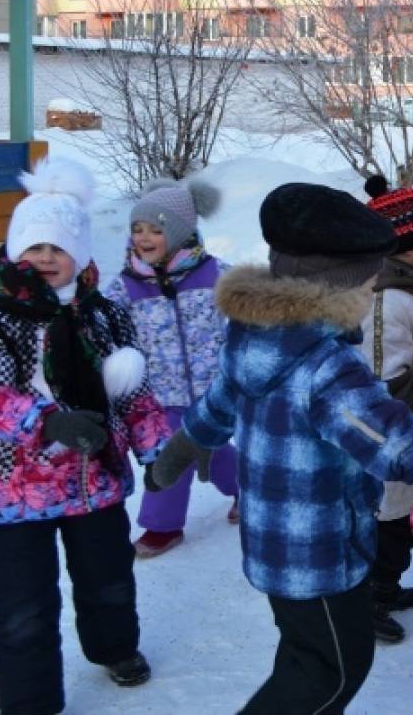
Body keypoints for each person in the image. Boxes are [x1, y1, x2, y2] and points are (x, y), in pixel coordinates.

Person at [148, 182, 413, 714]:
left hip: (276, 542)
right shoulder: (327, 367)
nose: (375, 291)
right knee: (333, 672)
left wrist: (190, 440)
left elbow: (221, 398)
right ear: (340, 286)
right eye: (370, 281)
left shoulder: (252, 332)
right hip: (320, 553)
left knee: (307, 658)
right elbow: (398, 449)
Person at [0, 159, 170, 714]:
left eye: (58, 248)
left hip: (95, 482)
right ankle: (30, 699)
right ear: (17, 250)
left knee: (108, 578)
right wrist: (48, 422)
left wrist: (161, 450)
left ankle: (115, 647)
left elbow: (134, 390)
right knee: (23, 603)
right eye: (34, 247)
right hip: (13, 489)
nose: (45, 258)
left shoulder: (105, 314)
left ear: (81, 254)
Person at [105, 177, 238, 558]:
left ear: (179, 233)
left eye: (155, 229)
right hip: (161, 393)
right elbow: (99, 319)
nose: (143, 237)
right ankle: (163, 526)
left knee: (210, 445)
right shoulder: (127, 286)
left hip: (214, 389)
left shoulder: (214, 274)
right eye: (137, 229)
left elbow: (250, 302)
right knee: (173, 451)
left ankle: (245, 489)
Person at [359, 177, 413, 644]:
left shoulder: (409, 288)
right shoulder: (385, 301)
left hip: (411, 426)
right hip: (386, 438)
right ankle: (368, 596)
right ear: (408, 244)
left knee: (404, 520)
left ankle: (385, 586)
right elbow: (384, 379)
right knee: (388, 522)